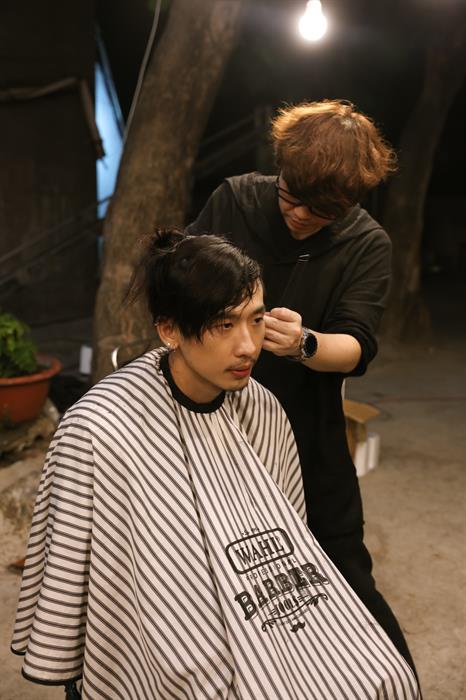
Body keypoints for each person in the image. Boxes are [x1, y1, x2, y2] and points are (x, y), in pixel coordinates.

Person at [11, 230, 419, 699]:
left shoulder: (262, 410)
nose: (248, 346)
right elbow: (94, 579)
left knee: (388, 676)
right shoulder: (100, 428)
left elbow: (290, 542)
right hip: (164, 628)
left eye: (256, 320)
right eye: (224, 325)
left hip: (260, 609)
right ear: (169, 330)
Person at [186, 99, 417, 673]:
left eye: (322, 211)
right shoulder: (235, 200)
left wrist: (305, 343)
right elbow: (181, 285)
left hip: (303, 426)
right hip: (209, 421)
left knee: (342, 565)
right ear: (281, 170)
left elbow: (357, 345)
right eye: (292, 198)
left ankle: (389, 679)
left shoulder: (366, 243)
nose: (300, 216)